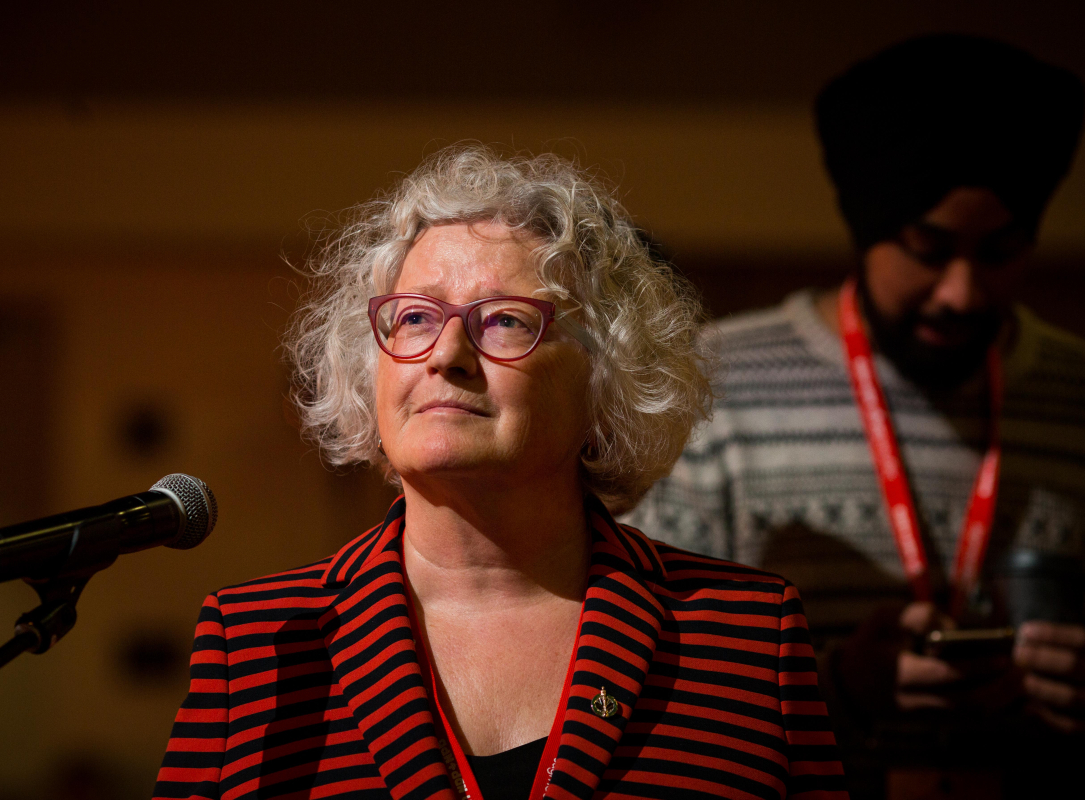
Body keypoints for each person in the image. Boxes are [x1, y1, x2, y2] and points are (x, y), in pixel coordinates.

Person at [152, 146, 847, 799]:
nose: (446, 353)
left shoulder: (747, 636)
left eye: (506, 321)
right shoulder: (257, 641)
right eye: (415, 317)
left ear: (608, 380)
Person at [626, 35, 1085, 798]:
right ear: (865, 230)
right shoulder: (714, 386)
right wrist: (833, 687)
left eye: (1001, 252)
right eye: (928, 249)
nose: (962, 292)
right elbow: (642, 683)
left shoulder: (1076, 394)